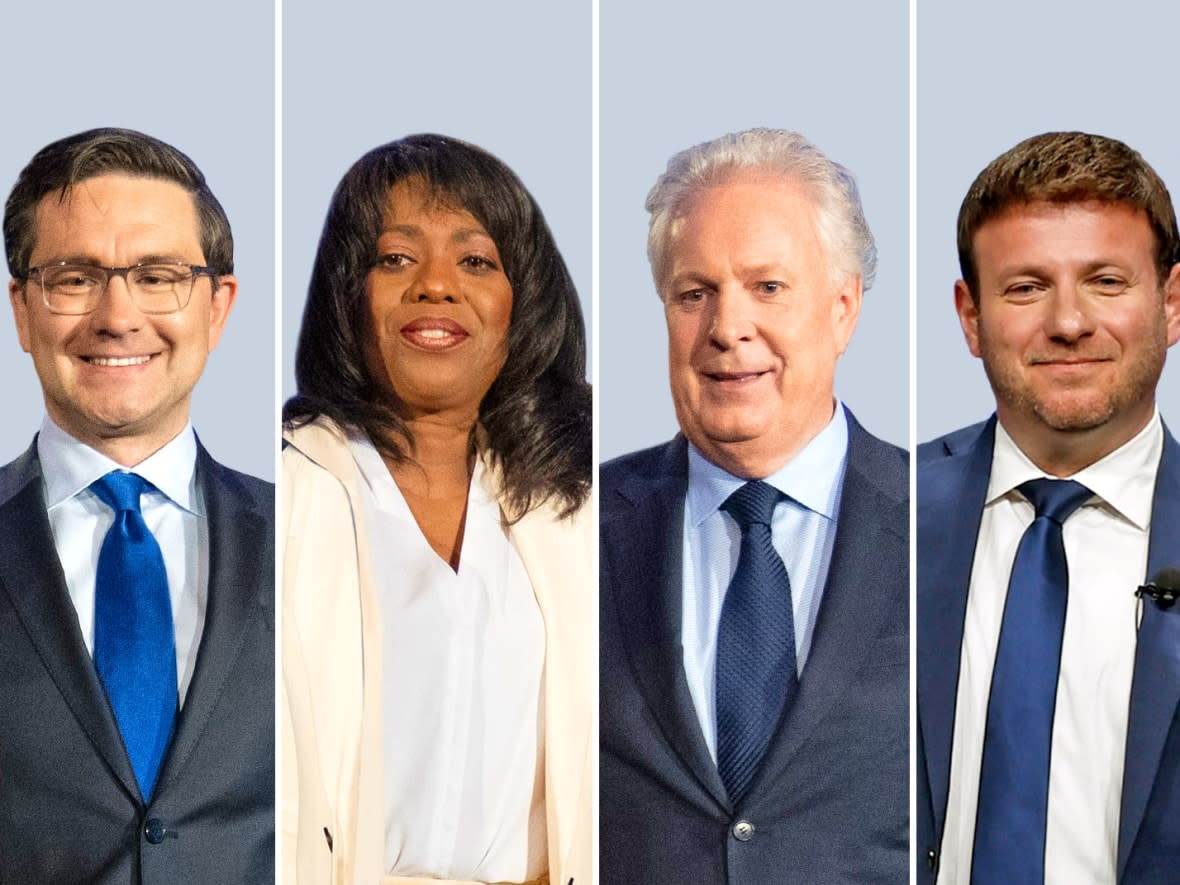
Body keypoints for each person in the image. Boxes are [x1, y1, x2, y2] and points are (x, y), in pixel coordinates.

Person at [282, 134, 593, 885]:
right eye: (396, 258)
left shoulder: (573, 508)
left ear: (522, 303)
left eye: (476, 260)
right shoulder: (289, 491)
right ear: (347, 292)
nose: (435, 285)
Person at [600, 128, 909, 884]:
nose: (727, 328)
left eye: (767, 287)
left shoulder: (947, 526)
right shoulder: (572, 526)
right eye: (693, 293)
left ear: (843, 309)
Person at [0, 128, 274, 883]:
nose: (118, 316)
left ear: (218, 307)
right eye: (75, 276)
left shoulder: (318, 542)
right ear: (22, 309)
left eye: (158, 276)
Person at [917, 131, 1180, 885]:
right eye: (1027, 287)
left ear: (1170, 303)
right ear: (970, 317)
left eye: (1104, 281)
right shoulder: (883, 511)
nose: (1068, 321)